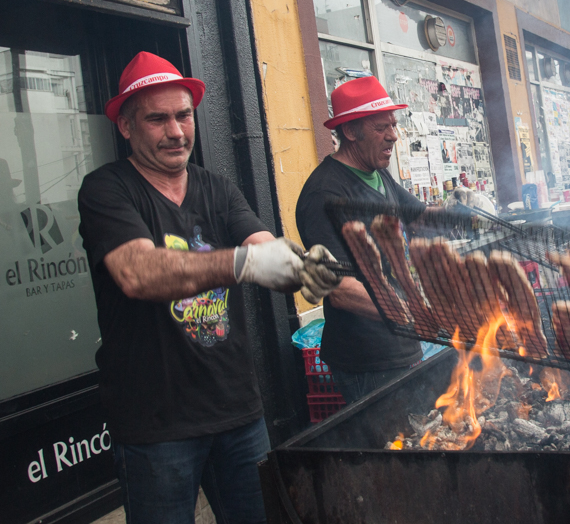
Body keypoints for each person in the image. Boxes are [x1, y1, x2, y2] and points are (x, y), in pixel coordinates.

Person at [77, 52, 340, 524]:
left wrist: (298, 264)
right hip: (156, 424)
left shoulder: (217, 188)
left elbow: (259, 239)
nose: (176, 132)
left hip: (237, 411)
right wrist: (246, 263)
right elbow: (137, 272)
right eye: (157, 119)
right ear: (125, 126)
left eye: (183, 115)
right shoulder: (106, 190)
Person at [297, 75, 431, 403]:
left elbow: (420, 216)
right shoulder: (324, 194)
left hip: (405, 343)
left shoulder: (378, 171)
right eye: (381, 127)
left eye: (394, 124)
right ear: (351, 131)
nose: (393, 136)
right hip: (368, 360)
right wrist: (413, 314)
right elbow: (340, 290)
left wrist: (471, 217)